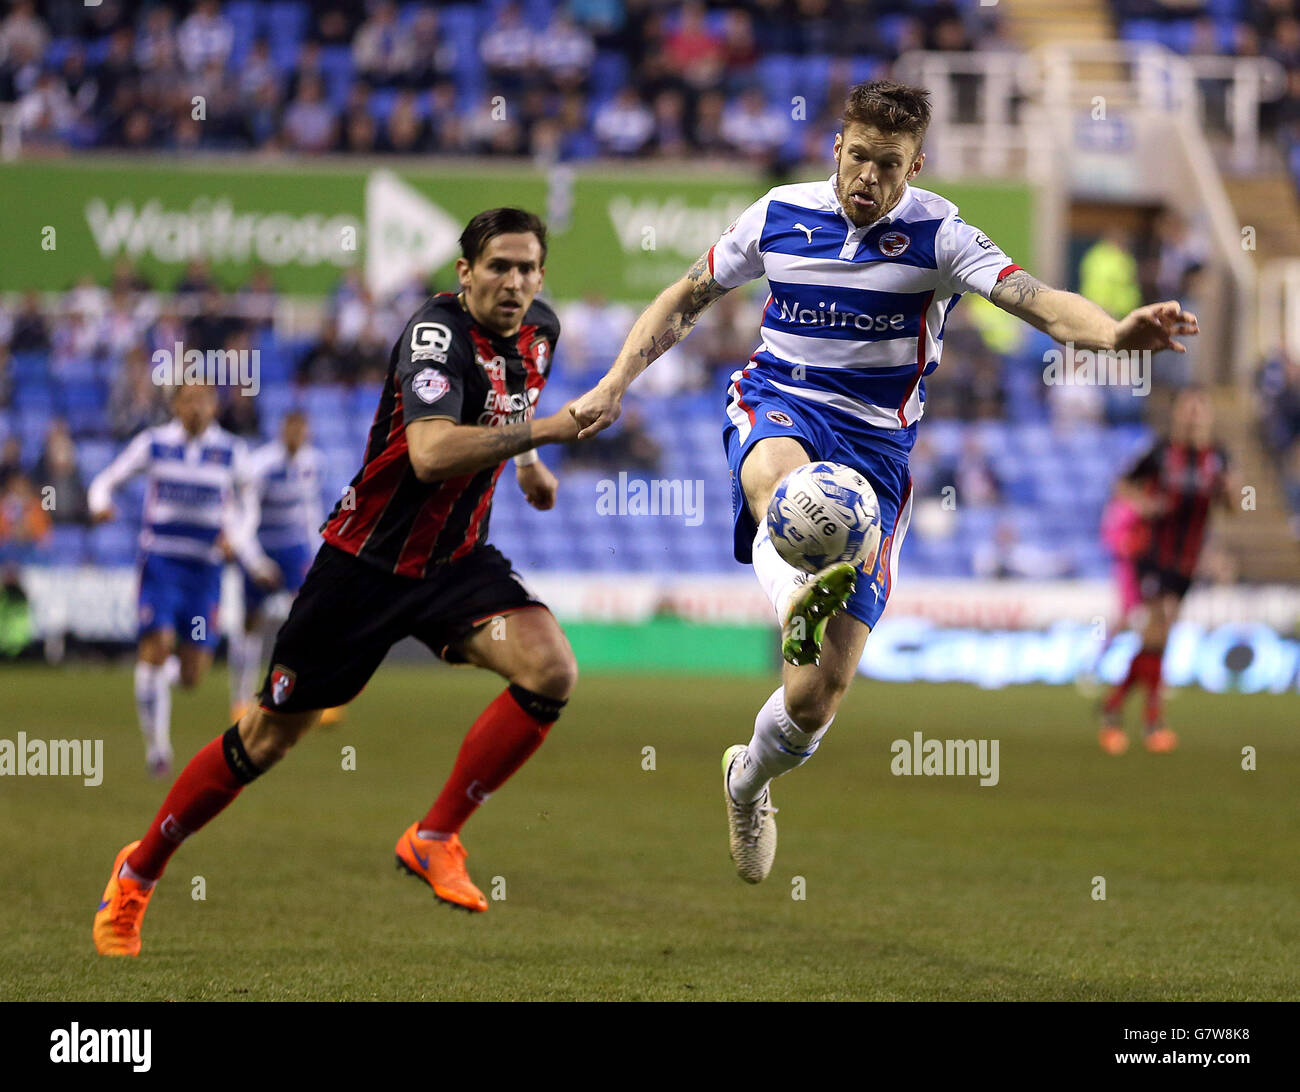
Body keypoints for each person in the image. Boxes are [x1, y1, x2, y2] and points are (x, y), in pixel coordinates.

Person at [570, 80, 1199, 885]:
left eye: (889, 164)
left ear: (916, 165)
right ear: (836, 147)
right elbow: (687, 296)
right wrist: (618, 379)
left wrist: (1113, 332)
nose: (869, 176)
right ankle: (794, 592)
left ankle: (747, 781)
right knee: (784, 486)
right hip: (779, 403)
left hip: (878, 455)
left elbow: (1036, 302)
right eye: (858, 156)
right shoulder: (775, 215)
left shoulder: (939, 234)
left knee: (815, 700)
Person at [94, 209, 583, 957]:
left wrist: (528, 466)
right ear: (465, 273)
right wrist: (547, 434)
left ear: (542, 276)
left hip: (455, 563)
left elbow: (510, 404)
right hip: (363, 567)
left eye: (527, 268)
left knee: (551, 668)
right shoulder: (435, 336)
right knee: (266, 738)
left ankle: (434, 835)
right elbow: (429, 453)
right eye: (498, 267)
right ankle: (139, 871)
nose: (514, 282)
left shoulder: (540, 332)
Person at [87, 384, 279, 777]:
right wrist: (100, 504)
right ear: (176, 405)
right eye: (189, 400)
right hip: (161, 563)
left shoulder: (230, 451)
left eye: (204, 401)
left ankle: (155, 678)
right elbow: (105, 481)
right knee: (156, 645)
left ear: (214, 407)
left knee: (193, 675)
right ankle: (158, 749)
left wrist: (238, 538)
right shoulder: (154, 444)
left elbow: (249, 503)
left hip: (204, 572)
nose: (197, 408)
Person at [1098, 389, 1233, 755]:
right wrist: (1144, 504)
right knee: (1159, 626)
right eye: (1187, 409)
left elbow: (1231, 506)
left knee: (1159, 637)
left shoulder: (1218, 457)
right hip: (1154, 553)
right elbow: (1123, 484)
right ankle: (1153, 720)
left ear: (1206, 416)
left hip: (1187, 561)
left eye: (1198, 410)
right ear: (1177, 415)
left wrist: (1230, 493)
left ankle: (1113, 707)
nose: (1193, 416)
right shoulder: (1160, 452)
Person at [227, 409, 334, 724]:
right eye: (292, 429)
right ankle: (241, 700)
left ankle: (314, 695)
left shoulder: (313, 464)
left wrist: (318, 552)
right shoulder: (259, 466)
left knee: (310, 619)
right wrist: (255, 560)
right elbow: (240, 515)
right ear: (282, 430)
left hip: (294, 550)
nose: (298, 436)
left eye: (303, 430)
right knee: (250, 625)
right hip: (262, 545)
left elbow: (311, 510)